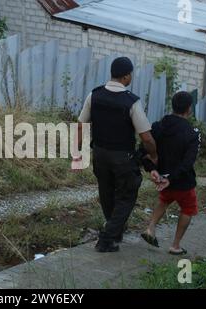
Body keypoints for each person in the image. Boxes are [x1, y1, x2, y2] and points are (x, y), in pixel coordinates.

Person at [75, 57, 158, 253]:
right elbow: (146, 137)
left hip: (100, 154)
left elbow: (80, 126)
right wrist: (154, 154)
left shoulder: (94, 95)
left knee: (106, 194)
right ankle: (106, 238)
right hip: (123, 157)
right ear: (127, 76)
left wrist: (77, 153)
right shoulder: (131, 102)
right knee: (127, 196)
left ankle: (114, 232)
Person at [140, 91, 201, 255]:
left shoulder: (158, 126)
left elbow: (143, 151)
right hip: (182, 182)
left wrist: (152, 169)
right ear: (189, 109)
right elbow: (188, 163)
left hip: (162, 177)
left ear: (172, 106)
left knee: (164, 200)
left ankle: (150, 228)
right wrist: (172, 178)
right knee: (188, 208)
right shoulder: (192, 134)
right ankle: (175, 245)